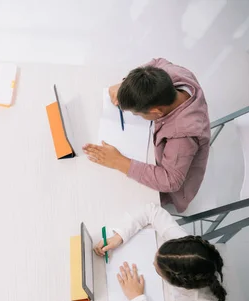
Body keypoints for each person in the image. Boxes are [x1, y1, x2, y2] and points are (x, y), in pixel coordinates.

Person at [94, 203, 226, 301]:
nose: (152, 263)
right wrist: (120, 236)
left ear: (176, 283)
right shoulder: (181, 244)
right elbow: (152, 210)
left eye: (157, 270)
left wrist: (136, 299)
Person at [83, 58, 211, 213]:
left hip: (170, 184)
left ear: (156, 112)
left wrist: (118, 161)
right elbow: (156, 62)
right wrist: (126, 85)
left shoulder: (182, 137)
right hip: (161, 148)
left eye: (136, 113)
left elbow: (171, 181)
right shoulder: (173, 74)